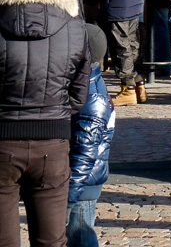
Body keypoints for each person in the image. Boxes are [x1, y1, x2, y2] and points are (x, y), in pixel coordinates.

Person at [0, 0, 90, 247]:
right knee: (52, 241)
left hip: (2, 138)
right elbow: (80, 94)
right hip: (52, 140)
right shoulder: (74, 25)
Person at [66, 25, 115, 247]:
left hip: (83, 185)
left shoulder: (93, 97)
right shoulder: (88, 85)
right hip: (82, 181)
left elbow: (85, 152)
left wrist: (70, 193)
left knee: (81, 235)